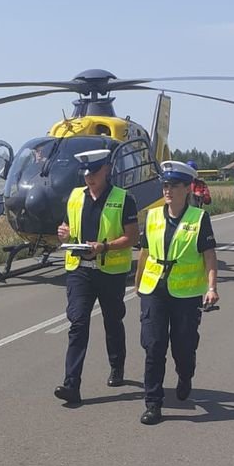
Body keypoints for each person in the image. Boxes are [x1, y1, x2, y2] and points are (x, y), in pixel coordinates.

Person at [134, 160, 219, 425]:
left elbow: (209, 256)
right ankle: (153, 403)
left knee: (183, 347)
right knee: (154, 346)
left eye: (174, 185)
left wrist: (212, 288)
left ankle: (185, 375)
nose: (168, 190)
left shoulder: (199, 219)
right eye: (165, 185)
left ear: (187, 188)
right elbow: (145, 253)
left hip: (186, 294)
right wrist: (137, 283)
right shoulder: (153, 216)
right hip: (155, 290)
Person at [55, 149, 140, 404]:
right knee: (78, 323)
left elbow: (132, 237)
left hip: (110, 271)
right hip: (79, 269)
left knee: (113, 322)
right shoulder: (74, 197)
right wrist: (64, 233)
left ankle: (117, 366)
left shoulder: (123, 199)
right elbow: (67, 228)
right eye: (85, 173)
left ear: (106, 170)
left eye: (93, 172)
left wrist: (104, 247)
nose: (89, 178)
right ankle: (72, 385)